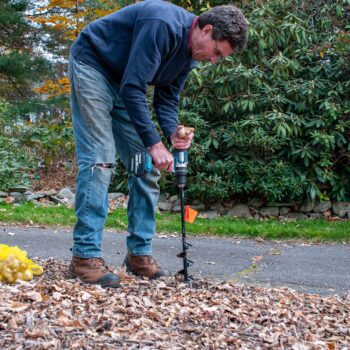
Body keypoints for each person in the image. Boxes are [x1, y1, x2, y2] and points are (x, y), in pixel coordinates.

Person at [68, 0, 248, 288]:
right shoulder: (161, 24)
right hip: (94, 67)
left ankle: (138, 255)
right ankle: (84, 258)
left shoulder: (190, 54)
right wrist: (154, 142)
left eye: (220, 58)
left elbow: (166, 99)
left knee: (147, 167)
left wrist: (172, 131)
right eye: (216, 52)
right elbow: (134, 86)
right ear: (207, 29)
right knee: (100, 160)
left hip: (126, 86)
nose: (213, 60)